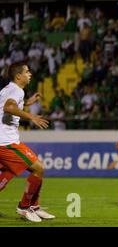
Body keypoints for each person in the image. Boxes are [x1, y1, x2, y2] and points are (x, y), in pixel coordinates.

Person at [0, 62, 54, 222]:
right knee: (39, 168)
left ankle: (33, 206)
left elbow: (9, 104)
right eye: (27, 71)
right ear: (18, 76)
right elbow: (9, 107)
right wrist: (32, 117)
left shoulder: (8, 89)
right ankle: (25, 207)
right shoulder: (16, 90)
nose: (30, 74)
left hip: (3, 141)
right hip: (6, 143)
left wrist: (28, 103)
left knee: (6, 176)